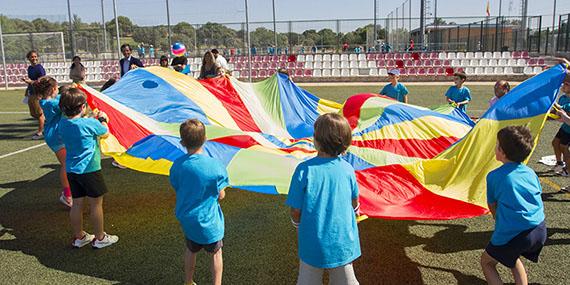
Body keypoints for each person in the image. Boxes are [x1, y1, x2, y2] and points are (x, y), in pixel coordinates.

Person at [286, 113, 361, 285]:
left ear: (316, 140)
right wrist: (356, 214)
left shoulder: (303, 170)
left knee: (308, 280)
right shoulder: (348, 169)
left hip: (312, 243)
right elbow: (354, 201)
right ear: (346, 142)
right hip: (343, 243)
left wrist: (297, 225)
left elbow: (296, 210)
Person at [481, 126, 547, 285]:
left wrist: (499, 222)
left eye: (497, 145)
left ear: (502, 151)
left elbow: (492, 205)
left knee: (487, 262)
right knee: (512, 256)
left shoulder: (494, 176)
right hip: (539, 229)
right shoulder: (530, 172)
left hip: (514, 233)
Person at [58, 88, 119, 249]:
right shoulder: (89, 123)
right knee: (96, 204)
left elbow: (79, 125)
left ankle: (80, 236)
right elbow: (104, 132)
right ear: (83, 107)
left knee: (77, 204)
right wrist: (103, 119)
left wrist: (91, 119)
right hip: (90, 170)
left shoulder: (62, 124)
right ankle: (100, 237)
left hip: (72, 170)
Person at [169, 119, 228, 285]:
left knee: (190, 249)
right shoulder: (215, 166)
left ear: (182, 142)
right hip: (210, 222)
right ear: (205, 139)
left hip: (188, 220)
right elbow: (221, 195)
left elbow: (177, 185)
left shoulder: (178, 165)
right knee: (216, 253)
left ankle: (188, 281)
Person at [34, 76, 72, 207]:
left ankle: (70, 190)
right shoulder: (51, 103)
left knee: (69, 162)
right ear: (53, 89)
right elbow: (66, 101)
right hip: (56, 136)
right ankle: (67, 195)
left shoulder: (48, 100)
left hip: (59, 135)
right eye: (57, 88)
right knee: (66, 164)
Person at [22, 50, 46, 140]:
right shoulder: (30, 68)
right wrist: (27, 89)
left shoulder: (39, 67)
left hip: (38, 93)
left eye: (35, 56)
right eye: (32, 57)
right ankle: (46, 123)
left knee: (39, 114)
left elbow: (42, 80)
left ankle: (40, 132)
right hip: (31, 92)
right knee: (33, 114)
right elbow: (31, 81)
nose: (34, 58)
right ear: (28, 58)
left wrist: (31, 82)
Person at [551, 79, 570, 176]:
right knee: (555, 142)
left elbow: (561, 108)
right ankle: (559, 163)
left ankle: (567, 169)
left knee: (564, 147)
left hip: (569, 130)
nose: (563, 85)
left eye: (566, 84)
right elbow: (558, 113)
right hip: (565, 127)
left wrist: (550, 100)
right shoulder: (562, 98)